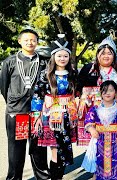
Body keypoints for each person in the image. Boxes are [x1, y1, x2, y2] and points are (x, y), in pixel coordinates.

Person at [0, 29, 50, 180]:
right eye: (26, 40)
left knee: (39, 149)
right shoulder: (9, 61)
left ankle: (42, 177)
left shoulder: (43, 61)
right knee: (16, 150)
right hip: (17, 112)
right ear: (20, 41)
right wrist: (14, 101)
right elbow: (3, 86)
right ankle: (14, 178)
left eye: (33, 40)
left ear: (37, 42)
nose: (30, 42)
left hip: (37, 113)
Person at [32, 36, 78, 179]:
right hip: (51, 116)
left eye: (65, 55)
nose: (62, 58)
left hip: (68, 115)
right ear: (53, 57)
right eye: (59, 55)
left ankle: (59, 176)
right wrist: (37, 116)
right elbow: (37, 95)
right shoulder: (45, 74)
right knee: (54, 150)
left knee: (64, 149)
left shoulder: (73, 74)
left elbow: (78, 92)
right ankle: (55, 177)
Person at [77, 36, 117, 146]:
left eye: (109, 53)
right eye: (103, 53)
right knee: (94, 143)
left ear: (114, 56)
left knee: (114, 142)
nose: (106, 56)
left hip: (115, 110)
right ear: (97, 54)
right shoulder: (88, 69)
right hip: (93, 110)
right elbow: (78, 87)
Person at [83, 80, 117, 179]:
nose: (107, 93)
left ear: (116, 92)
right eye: (104, 91)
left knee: (115, 166)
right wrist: (91, 129)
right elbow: (88, 121)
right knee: (97, 166)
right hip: (99, 140)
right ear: (100, 93)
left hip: (116, 141)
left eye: (111, 90)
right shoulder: (95, 108)